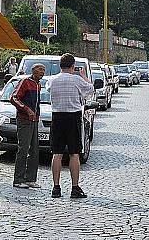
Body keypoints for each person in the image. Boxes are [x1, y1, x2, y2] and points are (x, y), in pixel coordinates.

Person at [46, 53, 94, 199]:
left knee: (57, 153)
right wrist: (84, 76)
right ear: (73, 66)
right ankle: (74, 187)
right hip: (73, 117)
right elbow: (90, 90)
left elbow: (48, 89)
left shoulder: (52, 80)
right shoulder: (77, 80)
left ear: (60, 66)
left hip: (57, 117)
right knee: (74, 153)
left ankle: (56, 187)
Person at [10, 63, 45, 189]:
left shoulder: (38, 85)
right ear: (33, 70)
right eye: (40, 69)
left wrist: (36, 114)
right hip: (24, 120)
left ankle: (30, 178)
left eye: (43, 70)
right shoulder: (25, 82)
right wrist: (26, 110)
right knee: (23, 149)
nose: (42, 72)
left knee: (35, 150)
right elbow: (13, 98)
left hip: (34, 120)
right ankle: (18, 179)